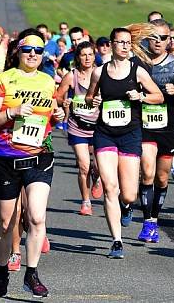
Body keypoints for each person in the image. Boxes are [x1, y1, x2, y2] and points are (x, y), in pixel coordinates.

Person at [0, 29, 65, 298]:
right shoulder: (3, 79)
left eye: (38, 51)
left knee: (36, 217)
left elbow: (52, 117)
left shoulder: (48, 82)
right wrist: (11, 112)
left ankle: (31, 274)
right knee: (7, 223)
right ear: (18, 51)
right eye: (28, 50)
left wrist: (60, 114)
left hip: (40, 156)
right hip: (7, 157)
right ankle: (2, 269)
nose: (33, 55)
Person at [85, 27, 163, 258]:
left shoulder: (137, 72)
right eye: (120, 42)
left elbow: (158, 96)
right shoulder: (100, 72)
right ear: (111, 45)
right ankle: (117, 241)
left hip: (130, 134)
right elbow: (89, 97)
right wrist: (93, 99)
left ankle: (126, 206)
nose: (125, 46)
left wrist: (141, 97)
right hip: (105, 133)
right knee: (110, 187)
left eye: (128, 42)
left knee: (128, 194)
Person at [128, 20, 174, 241]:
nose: (159, 42)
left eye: (164, 38)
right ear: (147, 38)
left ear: (170, 41)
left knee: (162, 177)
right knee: (147, 171)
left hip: (168, 126)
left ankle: (154, 218)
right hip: (142, 125)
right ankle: (147, 223)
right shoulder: (137, 62)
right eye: (154, 37)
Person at [56, 41, 101, 216]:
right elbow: (58, 97)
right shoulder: (71, 76)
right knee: (84, 166)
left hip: (99, 127)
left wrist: (102, 101)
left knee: (98, 166)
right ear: (78, 57)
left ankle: (97, 179)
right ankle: (86, 201)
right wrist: (64, 102)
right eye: (83, 55)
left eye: (90, 54)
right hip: (77, 126)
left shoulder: (102, 74)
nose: (87, 58)